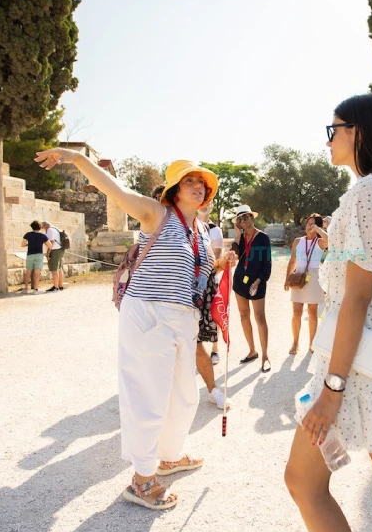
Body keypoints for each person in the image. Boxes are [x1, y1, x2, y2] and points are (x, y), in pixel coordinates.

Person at [35, 150, 234, 511]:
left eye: (202, 184)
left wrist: (221, 263)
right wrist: (76, 159)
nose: (198, 187)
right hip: (148, 314)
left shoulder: (200, 230)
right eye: (189, 180)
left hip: (182, 317)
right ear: (174, 189)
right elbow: (113, 188)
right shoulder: (155, 214)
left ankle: (168, 456)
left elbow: (194, 274)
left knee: (184, 395)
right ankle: (142, 481)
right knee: (149, 396)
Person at [284, 93, 372, 532]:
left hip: (358, 353)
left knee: (303, 479)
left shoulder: (369, 191)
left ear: (357, 132)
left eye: (333, 129)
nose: (328, 141)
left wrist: (332, 388)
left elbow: (356, 298)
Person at [195, 202, 230, 410]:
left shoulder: (205, 229)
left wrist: (223, 262)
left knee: (196, 345)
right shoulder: (163, 226)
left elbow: (212, 265)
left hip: (195, 295)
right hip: (165, 299)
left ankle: (212, 390)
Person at [230, 205, 272, 372]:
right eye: (239, 219)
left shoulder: (262, 238)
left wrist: (258, 281)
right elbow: (233, 258)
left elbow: (267, 264)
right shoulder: (241, 239)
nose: (243, 221)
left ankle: (265, 356)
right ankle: (252, 351)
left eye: (245, 217)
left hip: (257, 282)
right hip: (240, 281)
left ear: (252, 218)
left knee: (260, 317)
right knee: (243, 315)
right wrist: (238, 237)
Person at [284, 213, 327, 355]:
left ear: (318, 226)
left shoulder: (320, 242)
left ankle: (312, 343)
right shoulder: (298, 241)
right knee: (296, 313)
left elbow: (329, 240)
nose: (309, 226)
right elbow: (292, 261)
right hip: (298, 276)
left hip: (314, 276)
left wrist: (318, 230)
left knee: (312, 312)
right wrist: (287, 278)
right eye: (308, 223)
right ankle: (295, 343)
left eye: (313, 224)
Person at [21, 221, 52, 294]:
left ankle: (26, 288)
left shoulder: (27, 235)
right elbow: (50, 245)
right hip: (39, 254)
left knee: (28, 271)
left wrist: (28, 244)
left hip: (30, 254)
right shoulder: (42, 236)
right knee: (37, 273)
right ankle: (36, 289)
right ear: (40, 227)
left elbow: (22, 244)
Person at [41, 221, 65, 292]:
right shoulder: (55, 229)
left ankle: (56, 287)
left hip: (54, 251)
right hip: (59, 250)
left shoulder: (50, 230)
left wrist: (48, 253)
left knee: (54, 269)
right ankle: (60, 285)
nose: (42, 229)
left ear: (45, 225)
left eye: (42, 227)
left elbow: (51, 242)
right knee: (59, 268)